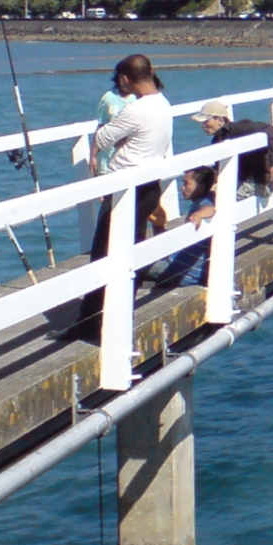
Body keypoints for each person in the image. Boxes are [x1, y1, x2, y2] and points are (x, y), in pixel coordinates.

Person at [68, 54, 174, 339]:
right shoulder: (163, 105)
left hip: (126, 191)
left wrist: (100, 150)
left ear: (125, 79)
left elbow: (102, 138)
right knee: (133, 253)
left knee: (103, 255)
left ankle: (89, 324)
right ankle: (118, 313)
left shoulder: (136, 110)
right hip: (150, 187)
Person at [191, 99, 273, 203]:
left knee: (221, 201)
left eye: (206, 121)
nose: (203, 125)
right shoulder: (217, 140)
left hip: (258, 182)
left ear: (220, 120)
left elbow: (269, 129)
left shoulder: (239, 129)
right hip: (241, 181)